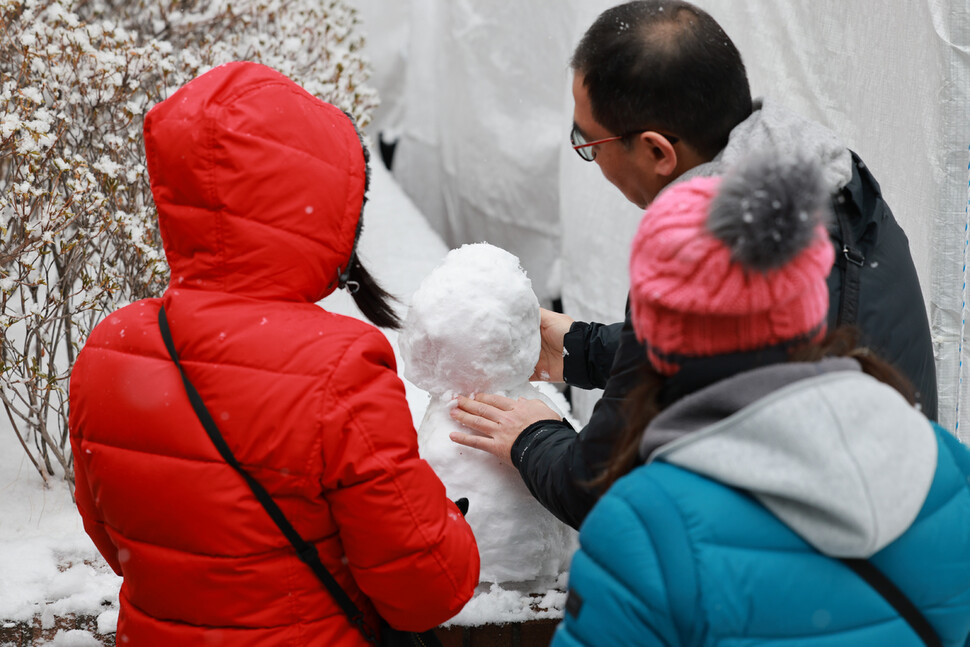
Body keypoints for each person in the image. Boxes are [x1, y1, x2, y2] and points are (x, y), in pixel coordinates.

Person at [449, 0, 937, 530]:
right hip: (899, 549)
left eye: (588, 142)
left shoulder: (707, 253)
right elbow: (738, 359)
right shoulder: (831, 186)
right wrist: (581, 348)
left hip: (807, 579)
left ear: (658, 152)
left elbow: (604, 492)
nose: (588, 154)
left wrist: (533, 435)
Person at [68, 62, 479, 646]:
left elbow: (118, 544)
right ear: (320, 199)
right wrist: (447, 519)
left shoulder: (111, 348)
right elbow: (426, 589)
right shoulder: (339, 366)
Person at [550, 150, 970, 646]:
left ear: (653, 338)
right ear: (812, 310)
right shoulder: (945, 468)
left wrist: (537, 436)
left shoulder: (643, 529)